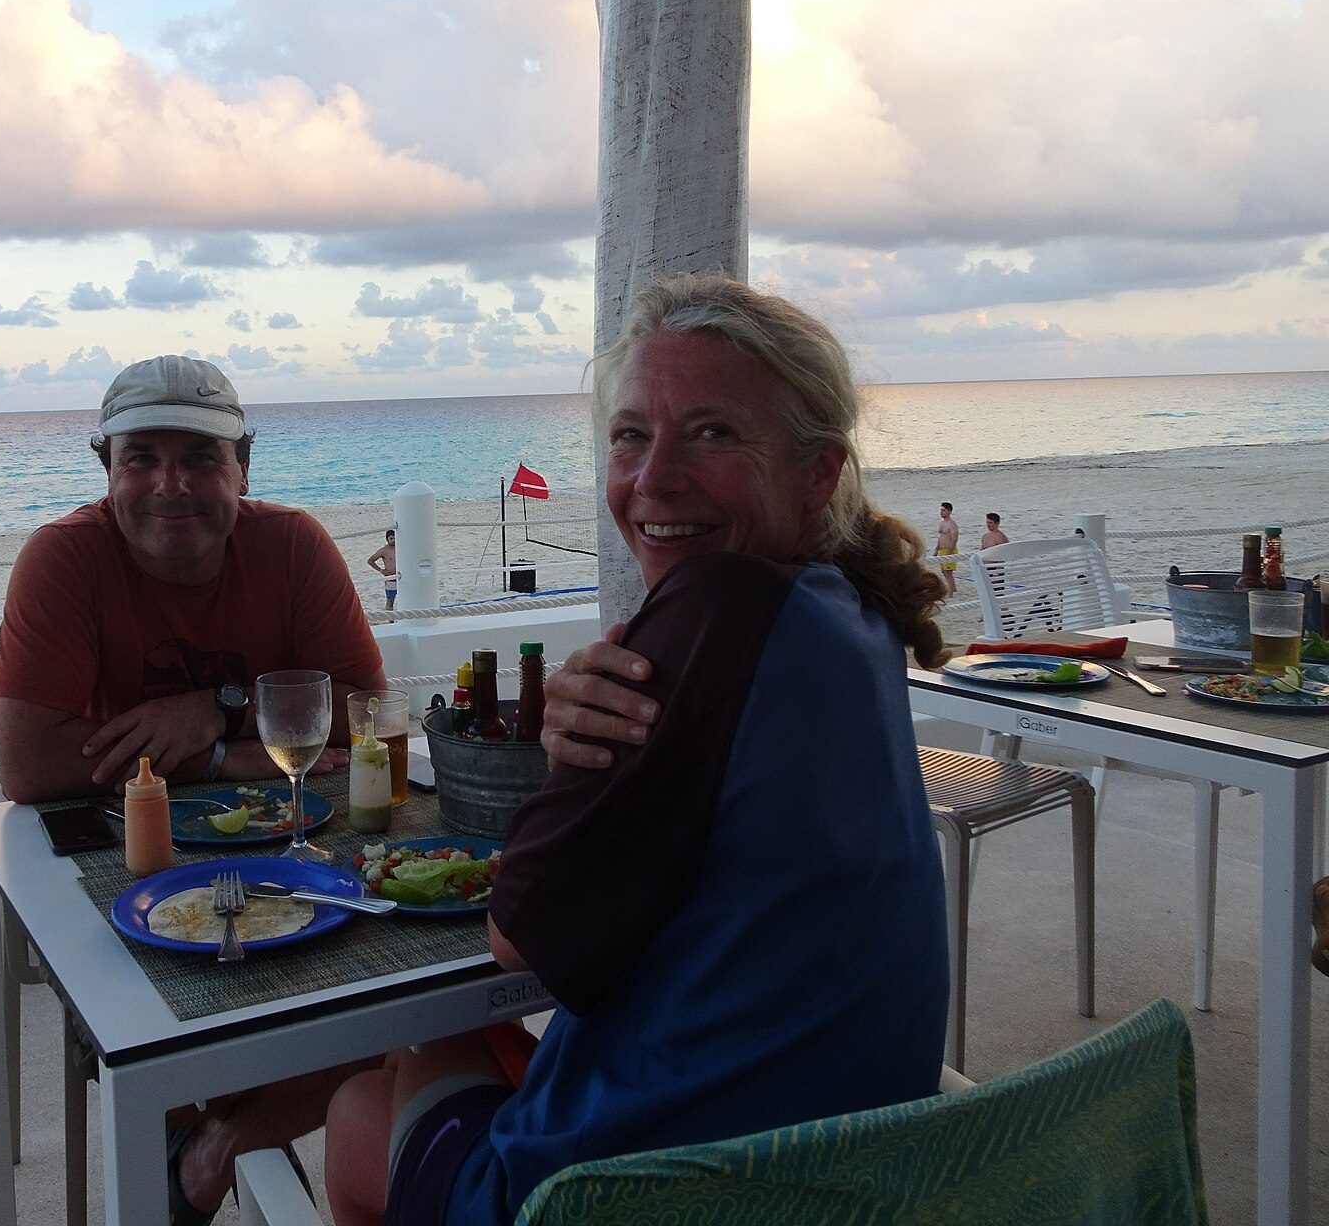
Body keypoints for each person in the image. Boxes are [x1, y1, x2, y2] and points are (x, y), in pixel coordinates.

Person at [323, 274, 952, 1226]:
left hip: (663, 1197)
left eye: (713, 433)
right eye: (630, 436)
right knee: (456, 1057)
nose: (655, 479)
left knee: (365, 1101)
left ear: (817, 471)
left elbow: (520, 937)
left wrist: (566, 755)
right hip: (847, 1169)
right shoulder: (852, 611)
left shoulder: (717, 605)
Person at [0, 353, 388, 1222]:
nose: (171, 485)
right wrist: (228, 756)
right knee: (163, 1020)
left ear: (244, 466)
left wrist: (212, 713)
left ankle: (217, 1148)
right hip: (129, 866)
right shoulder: (63, 560)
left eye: (202, 458)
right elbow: (28, 764)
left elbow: (361, 708)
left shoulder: (292, 546)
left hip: (289, 855)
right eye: (143, 458)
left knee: (399, 991)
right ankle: (193, 1141)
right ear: (107, 469)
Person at [367, 528, 399, 608]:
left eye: (395, 538)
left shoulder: (402, 548)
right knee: (390, 600)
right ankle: (390, 620)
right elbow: (370, 561)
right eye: (391, 538)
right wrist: (381, 570)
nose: (393, 540)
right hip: (390, 578)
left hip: (402, 577)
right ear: (387, 539)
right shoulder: (383, 550)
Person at [934, 501, 959, 583]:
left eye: (943, 510)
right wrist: (936, 549)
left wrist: (950, 552)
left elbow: (954, 539)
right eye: (941, 510)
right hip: (942, 550)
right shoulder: (942, 523)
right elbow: (941, 537)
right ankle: (953, 590)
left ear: (949, 512)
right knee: (943, 571)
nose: (941, 512)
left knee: (948, 573)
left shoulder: (952, 524)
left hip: (949, 550)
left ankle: (951, 593)